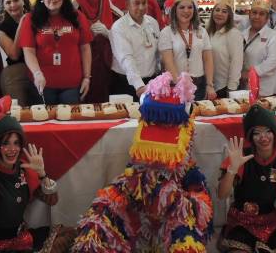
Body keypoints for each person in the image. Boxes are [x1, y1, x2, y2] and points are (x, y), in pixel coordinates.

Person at [73, 73, 212, 251]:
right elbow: (131, 178)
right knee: (101, 214)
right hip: (140, 197)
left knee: (186, 235)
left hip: (174, 200)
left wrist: (174, 198)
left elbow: (200, 205)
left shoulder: (188, 166)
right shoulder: (140, 157)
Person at [0, 97, 75, 252]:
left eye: (16, 143)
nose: (12, 149)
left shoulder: (24, 169)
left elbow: (52, 200)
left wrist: (42, 174)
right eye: (6, 143)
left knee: (69, 234)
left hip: (20, 240)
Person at [217, 105, 276, 252]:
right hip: (242, 221)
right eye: (257, 133)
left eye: (268, 131)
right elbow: (221, 195)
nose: (263, 137)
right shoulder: (240, 157)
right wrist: (232, 169)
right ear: (251, 137)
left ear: (274, 133)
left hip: (273, 221)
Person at [19, 0, 93, 105]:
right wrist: (37, 73)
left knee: (70, 121)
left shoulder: (77, 17)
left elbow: (85, 48)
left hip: (72, 84)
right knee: (44, 122)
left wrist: (87, 77)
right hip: (42, 83)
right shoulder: (31, 19)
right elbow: (28, 51)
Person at [73, 0, 122, 103]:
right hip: (79, 69)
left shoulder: (117, 14)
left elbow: (127, 41)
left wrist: (109, 34)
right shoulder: (70, 14)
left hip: (109, 71)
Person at [158, 0, 216, 101]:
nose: (186, 11)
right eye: (182, 7)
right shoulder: (167, 32)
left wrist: (209, 85)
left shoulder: (201, 31)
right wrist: (179, 85)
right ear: (175, 10)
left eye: (190, 7)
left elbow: (208, 60)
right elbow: (168, 62)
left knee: (197, 116)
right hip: (176, 85)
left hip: (199, 85)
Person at [110, 0, 161, 99]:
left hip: (151, 82)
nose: (141, 7)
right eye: (136, 3)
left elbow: (158, 53)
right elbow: (126, 58)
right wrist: (138, 85)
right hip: (126, 83)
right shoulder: (119, 27)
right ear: (127, 5)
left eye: (144, 3)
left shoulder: (152, 23)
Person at [0, 0, 40, 106]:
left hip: (40, 68)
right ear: (4, 6)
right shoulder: (1, 29)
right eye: (8, 2)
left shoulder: (36, 19)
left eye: (16, 0)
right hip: (16, 73)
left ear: (22, 0)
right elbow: (14, 55)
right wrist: (22, 24)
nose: (13, 5)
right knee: (19, 111)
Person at [242, 0, 276, 97]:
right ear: (249, 15)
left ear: (267, 18)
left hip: (268, 89)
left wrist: (252, 73)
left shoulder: (273, 36)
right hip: (247, 88)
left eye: (261, 14)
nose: (257, 16)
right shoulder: (242, 34)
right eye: (254, 13)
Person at [206, 0, 244, 99]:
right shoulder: (208, 32)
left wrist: (231, 88)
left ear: (229, 15)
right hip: (209, 85)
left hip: (224, 87)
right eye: (217, 10)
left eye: (224, 11)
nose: (219, 14)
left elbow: (236, 62)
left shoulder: (233, 34)